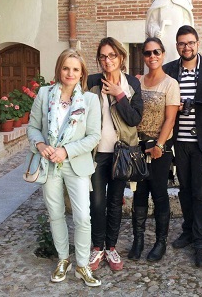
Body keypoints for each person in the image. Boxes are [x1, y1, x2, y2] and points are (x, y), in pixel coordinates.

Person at [27, 48, 101, 287]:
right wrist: (40, 144)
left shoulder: (89, 100)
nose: (70, 73)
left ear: (82, 73)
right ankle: (63, 259)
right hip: (49, 164)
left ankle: (82, 265)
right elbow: (32, 127)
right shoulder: (44, 94)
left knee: (82, 217)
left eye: (75, 69)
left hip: (75, 163)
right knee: (55, 214)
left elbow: (93, 137)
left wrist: (66, 151)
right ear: (59, 69)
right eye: (66, 68)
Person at [163, 25, 202, 268]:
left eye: (190, 43)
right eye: (181, 43)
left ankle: (201, 242)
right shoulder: (169, 70)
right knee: (185, 190)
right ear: (177, 46)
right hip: (179, 142)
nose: (186, 47)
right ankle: (188, 231)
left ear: (197, 44)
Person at [87, 37, 143, 272]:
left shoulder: (131, 84)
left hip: (121, 153)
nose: (107, 60)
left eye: (112, 56)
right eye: (103, 56)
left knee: (116, 202)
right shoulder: (91, 82)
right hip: (97, 153)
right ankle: (97, 247)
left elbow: (134, 119)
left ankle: (111, 247)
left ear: (121, 57)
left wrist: (120, 94)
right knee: (97, 203)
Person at [128, 37, 180, 262]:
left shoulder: (170, 84)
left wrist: (159, 145)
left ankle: (160, 242)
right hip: (137, 146)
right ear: (143, 56)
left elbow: (170, 119)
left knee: (159, 194)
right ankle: (138, 240)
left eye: (156, 52)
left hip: (160, 147)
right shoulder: (137, 81)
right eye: (148, 53)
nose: (152, 57)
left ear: (163, 54)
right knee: (139, 194)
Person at [146, 0, 194, 64]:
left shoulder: (183, 1)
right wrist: (155, 31)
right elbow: (152, 22)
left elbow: (188, 23)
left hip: (178, 41)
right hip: (162, 40)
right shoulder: (157, 2)